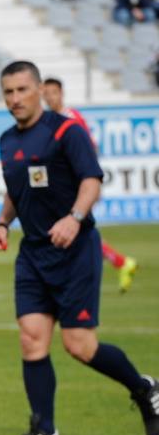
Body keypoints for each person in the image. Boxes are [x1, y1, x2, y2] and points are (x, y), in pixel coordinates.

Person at [0, 61, 158, 435]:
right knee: (32, 339)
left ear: (39, 90)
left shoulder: (67, 131)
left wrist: (75, 218)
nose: (15, 99)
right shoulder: (6, 141)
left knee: (79, 345)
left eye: (21, 90)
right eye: (8, 92)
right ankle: (44, 430)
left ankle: (144, 387)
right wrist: (2, 222)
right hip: (32, 253)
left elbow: (91, 179)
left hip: (74, 250)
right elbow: (17, 190)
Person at [41, 77, 138, 293]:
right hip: (62, 188)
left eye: (53, 92)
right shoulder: (47, 121)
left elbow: (88, 152)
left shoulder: (72, 118)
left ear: (61, 93)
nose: (49, 97)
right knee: (72, 231)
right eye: (45, 93)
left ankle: (114, 264)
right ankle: (120, 262)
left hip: (78, 188)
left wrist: (91, 184)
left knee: (76, 231)